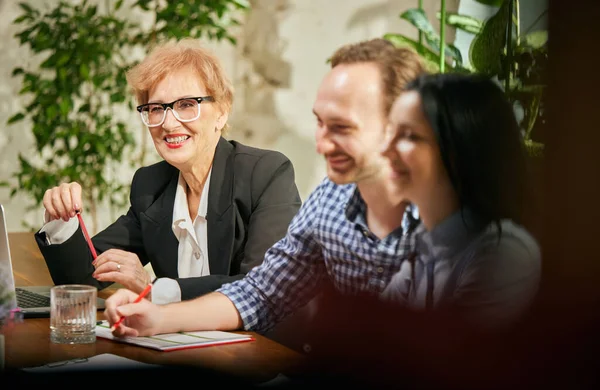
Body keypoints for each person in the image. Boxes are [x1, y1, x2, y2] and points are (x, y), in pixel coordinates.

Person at [102, 38, 428, 338]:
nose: (321, 143)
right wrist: (156, 319)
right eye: (319, 122)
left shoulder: (457, 223)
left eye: (341, 126)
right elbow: (261, 292)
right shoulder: (329, 200)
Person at [34, 38, 302, 304]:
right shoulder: (151, 186)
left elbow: (264, 285)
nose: (169, 123)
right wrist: (62, 219)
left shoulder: (265, 173)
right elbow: (83, 278)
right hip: (175, 340)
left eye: (187, 104)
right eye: (156, 108)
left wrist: (155, 289)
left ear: (222, 111)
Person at [380, 73, 541, 328]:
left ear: (459, 149)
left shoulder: (504, 253)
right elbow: (374, 337)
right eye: (390, 132)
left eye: (409, 136)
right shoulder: (424, 240)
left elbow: (437, 359)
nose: (385, 149)